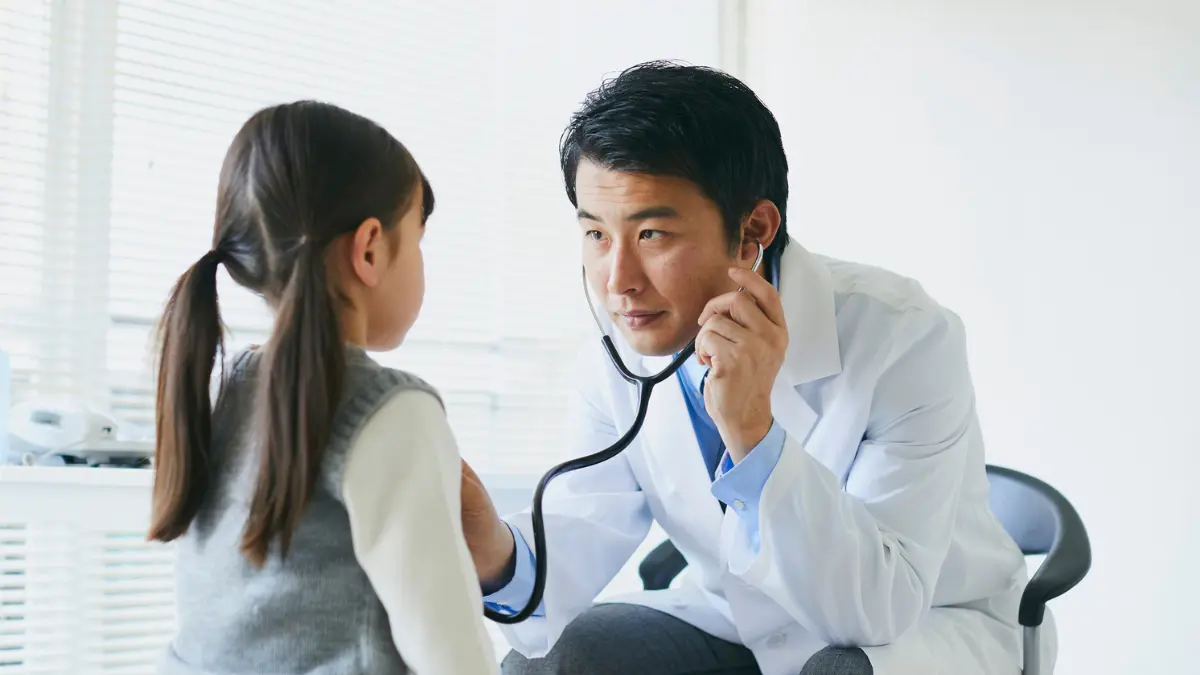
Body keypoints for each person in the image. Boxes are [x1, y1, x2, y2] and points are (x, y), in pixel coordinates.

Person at [459, 61, 1045, 675]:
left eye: (652, 234)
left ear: (752, 232)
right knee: (554, 661)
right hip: (732, 619)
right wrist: (490, 548)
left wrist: (753, 434)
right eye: (596, 235)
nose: (618, 283)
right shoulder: (615, 358)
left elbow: (877, 609)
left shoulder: (906, 338)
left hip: (921, 631)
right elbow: (575, 537)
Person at [149, 101, 495, 674]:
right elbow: (451, 655)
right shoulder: (392, 413)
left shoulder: (215, 390)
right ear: (369, 249)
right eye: (418, 239)